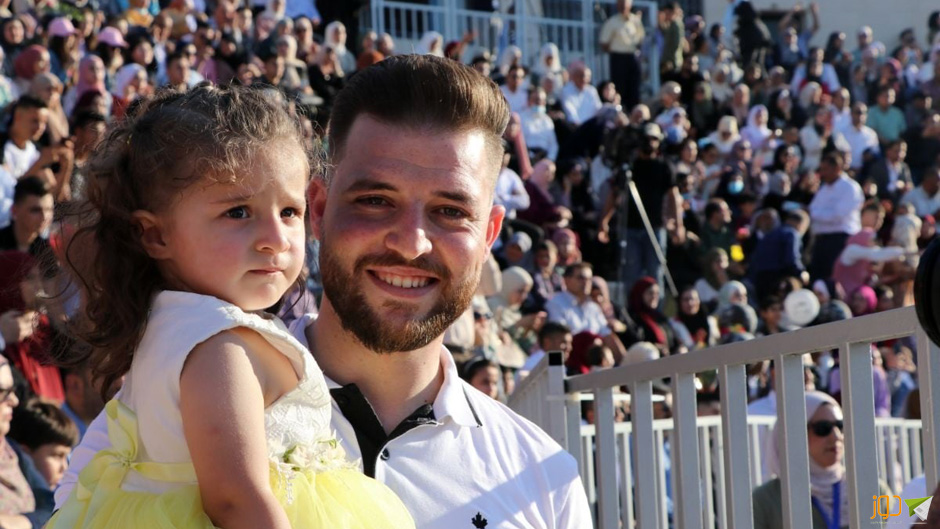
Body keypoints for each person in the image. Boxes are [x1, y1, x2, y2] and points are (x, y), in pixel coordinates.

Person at [49, 85, 415, 528]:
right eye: (238, 212)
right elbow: (235, 499)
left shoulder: (176, 323)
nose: (276, 239)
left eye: (289, 212)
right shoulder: (217, 345)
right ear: (156, 235)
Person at [753, 391, 894, 529]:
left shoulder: (874, 490)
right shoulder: (765, 500)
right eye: (823, 428)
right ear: (793, 435)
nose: (836, 436)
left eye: (840, 426)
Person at [808, 152, 864, 280]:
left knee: (832, 278)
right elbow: (813, 207)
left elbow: (838, 215)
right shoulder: (824, 188)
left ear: (837, 168)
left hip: (840, 240)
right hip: (821, 240)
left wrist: (815, 214)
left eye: (826, 169)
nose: (822, 173)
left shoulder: (850, 188)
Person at [599, 0, 645, 109]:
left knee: (634, 87)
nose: (623, 5)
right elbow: (604, 43)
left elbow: (640, 38)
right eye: (621, 2)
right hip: (618, 58)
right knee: (620, 87)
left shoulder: (635, 20)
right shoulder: (612, 22)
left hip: (632, 57)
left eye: (625, 2)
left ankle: (633, 110)